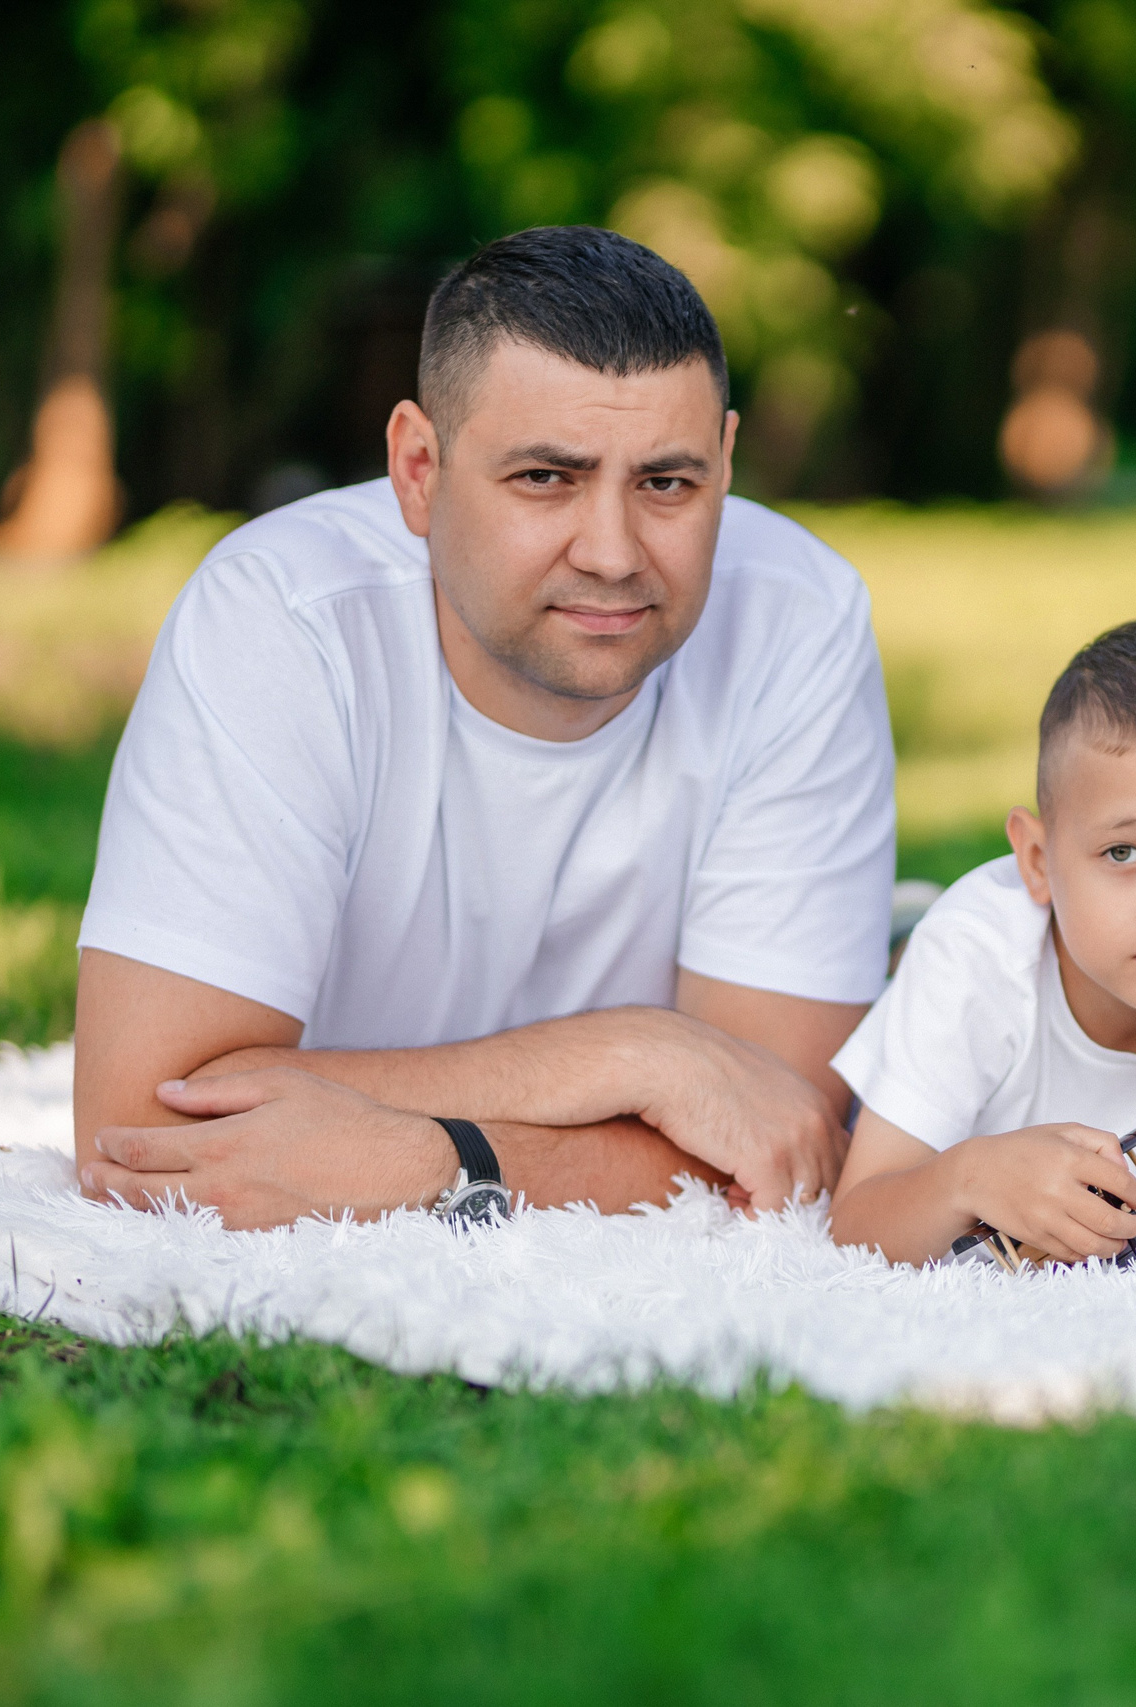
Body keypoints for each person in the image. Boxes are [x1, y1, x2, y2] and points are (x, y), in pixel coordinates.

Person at [72, 226, 896, 1230]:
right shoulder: (284, 620)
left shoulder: (796, 618)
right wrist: (632, 1055)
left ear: (725, 463)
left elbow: (780, 1144)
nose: (610, 552)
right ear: (418, 469)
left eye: (666, 483)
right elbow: (140, 1132)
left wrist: (425, 1163)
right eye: (546, 478)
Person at [827, 621, 1136, 1265]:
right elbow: (856, 1225)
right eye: (1123, 851)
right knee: (914, 957)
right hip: (953, 962)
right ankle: (902, 936)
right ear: (1036, 859)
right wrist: (966, 1176)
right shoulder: (974, 960)